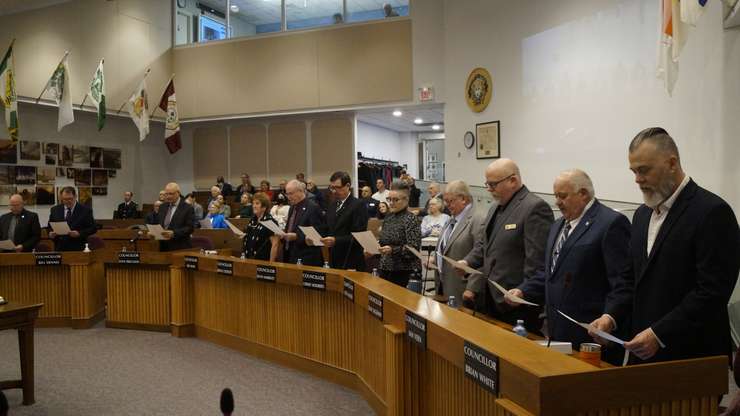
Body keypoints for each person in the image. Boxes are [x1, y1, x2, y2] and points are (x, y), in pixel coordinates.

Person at [623, 127, 740, 363]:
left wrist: (659, 333)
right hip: (644, 354)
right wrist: (610, 316)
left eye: (644, 170)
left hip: (692, 357)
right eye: (634, 171)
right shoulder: (641, 216)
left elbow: (712, 291)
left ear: (672, 163)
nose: (637, 179)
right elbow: (631, 278)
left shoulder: (712, 212)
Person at [506, 170, 633, 359]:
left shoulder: (611, 223)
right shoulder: (558, 225)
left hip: (591, 337)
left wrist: (610, 317)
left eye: (562, 196)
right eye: (556, 196)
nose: (557, 202)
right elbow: (550, 272)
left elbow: (623, 281)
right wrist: (523, 290)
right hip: (557, 332)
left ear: (583, 194)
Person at [458, 159, 553, 331]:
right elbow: (484, 245)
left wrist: (523, 292)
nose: (488, 189)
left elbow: (537, 262)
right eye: (487, 184)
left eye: (493, 184)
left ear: (513, 181)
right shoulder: (495, 206)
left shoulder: (535, 207)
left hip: (516, 304)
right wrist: (467, 262)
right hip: (490, 299)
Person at [433, 181, 484, 304]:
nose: (447, 205)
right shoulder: (452, 218)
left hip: (463, 289)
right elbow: (446, 247)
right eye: (446, 201)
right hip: (443, 285)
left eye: (451, 201)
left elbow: (482, 255)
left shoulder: (478, 220)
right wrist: (436, 259)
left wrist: (472, 288)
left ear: (464, 199)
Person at [372, 180, 421, 287]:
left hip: (404, 271)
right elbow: (384, 240)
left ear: (406, 200)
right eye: (389, 199)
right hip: (385, 267)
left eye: (395, 200)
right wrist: (374, 247)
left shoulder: (411, 218)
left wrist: (393, 250)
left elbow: (414, 249)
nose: (391, 203)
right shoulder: (389, 217)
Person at [318, 171, 369, 271]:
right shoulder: (332, 205)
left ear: (348, 186)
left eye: (337, 187)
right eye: (332, 187)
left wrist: (336, 240)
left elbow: (359, 236)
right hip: (334, 258)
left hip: (351, 260)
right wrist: (315, 236)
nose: (334, 191)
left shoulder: (358, 205)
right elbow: (327, 227)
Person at [282, 179, 324, 266]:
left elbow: (318, 234)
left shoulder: (313, 207)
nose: (288, 197)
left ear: (301, 191)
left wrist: (297, 237)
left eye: (291, 193)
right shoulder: (292, 207)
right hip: (291, 253)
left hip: (307, 257)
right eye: (287, 194)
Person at [47, 186, 97, 252]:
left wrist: (79, 233)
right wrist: (50, 234)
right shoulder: (55, 210)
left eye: (70, 199)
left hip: (78, 247)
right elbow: (50, 226)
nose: (68, 201)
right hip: (60, 247)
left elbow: (93, 228)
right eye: (65, 199)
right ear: (61, 198)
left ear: (75, 196)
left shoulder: (85, 210)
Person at [243, 192, 280, 261]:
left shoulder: (270, 222)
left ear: (264, 207)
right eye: (253, 203)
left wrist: (271, 265)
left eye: (257, 203)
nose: (254, 206)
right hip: (250, 259)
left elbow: (275, 245)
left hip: (264, 261)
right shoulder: (252, 220)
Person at [157, 182, 194, 251]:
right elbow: (159, 223)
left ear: (178, 193)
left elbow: (190, 228)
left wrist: (174, 233)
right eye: (166, 194)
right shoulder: (162, 207)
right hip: (163, 247)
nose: (168, 196)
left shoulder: (188, 208)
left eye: (171, 194)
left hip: (180, 246)